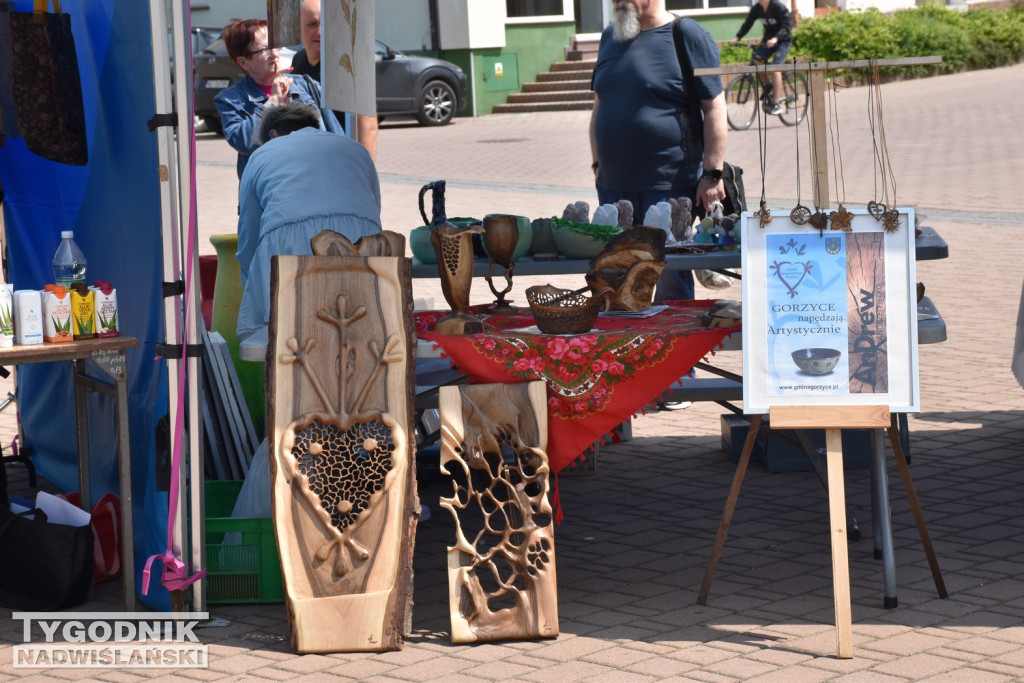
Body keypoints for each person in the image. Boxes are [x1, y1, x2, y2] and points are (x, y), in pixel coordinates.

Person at [589, 0, 727, 303]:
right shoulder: (609, 37)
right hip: (613, 188)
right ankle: (626, 347)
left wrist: (712, 173)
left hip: (668, 186)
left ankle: (676, 350)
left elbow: (715, 106)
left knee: (670, 283)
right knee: (615, 282)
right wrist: (597, 164)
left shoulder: (687, 35)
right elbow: (600, 104)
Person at [235, 102, 382, 341]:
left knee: (290, 339)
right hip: (361, 241)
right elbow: (373, 211)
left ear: (273, 133)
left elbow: (249, 233)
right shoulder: (354, 148)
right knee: (360, 332)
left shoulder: (261, 154)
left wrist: (253, 288)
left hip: (290, 246)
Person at [214, 18, 344, 179]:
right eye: (264, 50)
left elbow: (337, 137)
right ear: (243, 62)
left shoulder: (306, 85)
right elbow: (243, 141)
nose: (274, 53)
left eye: (275, 46)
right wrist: (272, 102)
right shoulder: (231, 99)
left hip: (315, 184)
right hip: (269, 192)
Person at [290, 0, 379, 161]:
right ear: (299, 28)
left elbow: (367, 125)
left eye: (325, 23)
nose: (320, 31)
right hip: (309, 160)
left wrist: (365, 172)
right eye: (312, 24)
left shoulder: (349, 63)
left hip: (340, 160)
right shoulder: (297, 61)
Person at [734, 0, 794, 115]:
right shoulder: (757, 8)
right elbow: (748, 23)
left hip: (783, 41)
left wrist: (776, 38)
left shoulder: (778, 7)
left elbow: (787, 27)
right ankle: (769, 85)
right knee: (757, 59)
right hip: (768, 40)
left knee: (775, 67)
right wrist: (737, 37)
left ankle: (776, 104)